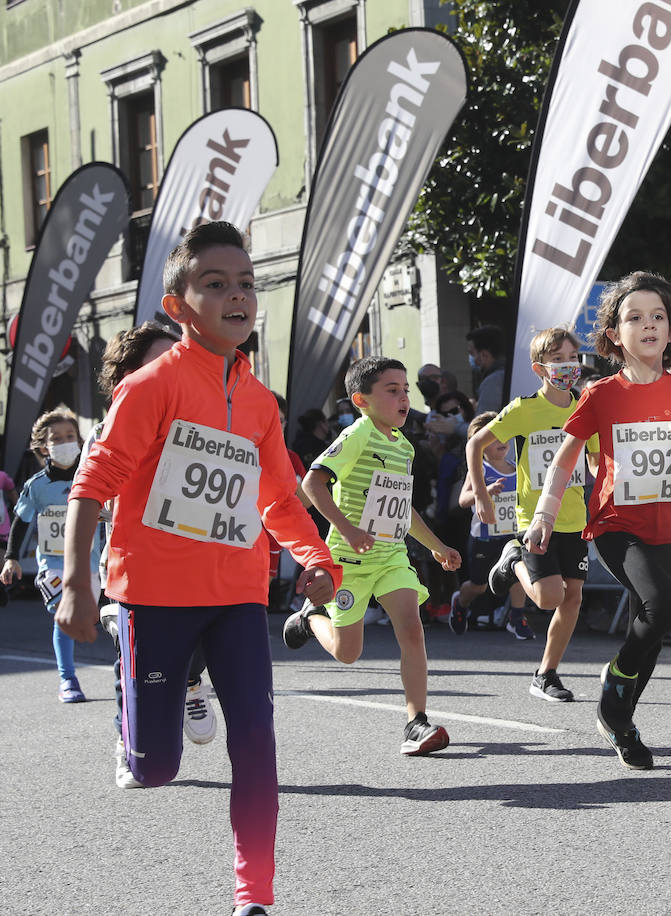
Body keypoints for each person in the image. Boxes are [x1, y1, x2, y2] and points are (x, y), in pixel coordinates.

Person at [57, 220, 341, 916]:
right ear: (178, 306)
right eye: (215, 284)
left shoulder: (259, 401)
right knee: (155, 769)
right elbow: (90, 485)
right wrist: (76, 586)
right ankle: (139, 723)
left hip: (236, 595)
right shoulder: (151, 386)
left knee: (256, 739)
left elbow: (277, 498)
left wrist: (315, 556)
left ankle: (254, 896)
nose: (237, 295)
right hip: (153, 597)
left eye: (246, 283)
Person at [523, 271, 671, 770]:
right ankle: (615, 689)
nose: (648, 325)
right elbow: (566, 458)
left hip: (665, 526)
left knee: (650, 625)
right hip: (615, 523)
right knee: (664, 606)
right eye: (635, 317)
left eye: (658, 316)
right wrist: (545, 513)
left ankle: (619, 720)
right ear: (615, 334)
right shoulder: (601, 394)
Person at [283, 355, 463, 755]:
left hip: (391, 557)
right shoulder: (357, 435)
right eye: (392, 390)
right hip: (349, 561)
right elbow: (313, 483)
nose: (404, 398)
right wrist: (347, 529)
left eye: (406, 390)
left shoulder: (404, 446)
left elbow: (403, 509)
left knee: (412, 628)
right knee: (348, 653)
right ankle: (311, 618)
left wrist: (437, 547)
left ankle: (416, 723)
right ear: (361, 400)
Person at [89, 321, 218, 789]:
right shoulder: (109, 427)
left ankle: (189, 681)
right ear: (129, 373)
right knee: (131, 663)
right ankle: (128, 746)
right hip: (135, 565)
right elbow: (91, 493)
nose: (175, 368)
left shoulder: (202, 422)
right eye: (163, 360)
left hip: (199, 560)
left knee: (205, 635)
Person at [471, 327, 602, 697]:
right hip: (534, 519)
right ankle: (513, 559)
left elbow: (593, 462)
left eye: (572, 358)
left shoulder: (584, 407)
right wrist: (480, 494)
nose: (568, 366)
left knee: (572, 597)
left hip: (574, 519)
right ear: (539, 368)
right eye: (558, 359)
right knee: (548, 598)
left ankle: (546, 674)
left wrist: (613, 479)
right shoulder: (524, 410)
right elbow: (475, 444)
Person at [2, 407, 100, 703]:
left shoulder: (93, 478)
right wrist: (11, 557)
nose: (64, 442)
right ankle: (67, 679)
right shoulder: (37, 486)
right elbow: (21, 521)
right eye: (56, 438)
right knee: (62, 614)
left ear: (80, 441)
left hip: (91, 564)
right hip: (54, 566)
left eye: (70, 436)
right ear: (44, 447)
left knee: (103, 619)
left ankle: (125, 677)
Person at [455, 410, 532, 639]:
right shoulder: (480, 470)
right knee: (478, 586)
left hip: (512, 533)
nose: (501, 441)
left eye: (503, 435)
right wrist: (484, 492)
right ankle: (460, 603)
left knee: (519, 571)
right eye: (492, 438)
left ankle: (517, 617)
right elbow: (463, 500)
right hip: (485, 536)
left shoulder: (517, 467)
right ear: (478, 445)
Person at [468, 324, 508, 414]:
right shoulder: (511, 373)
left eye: (472, 353)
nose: (470, 358)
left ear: (484, 355)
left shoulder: (493, 381)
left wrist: (456, 422)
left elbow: (483, 421)